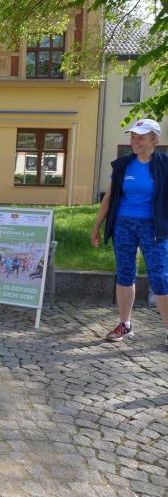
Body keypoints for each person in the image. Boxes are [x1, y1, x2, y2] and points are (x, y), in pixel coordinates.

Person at [91, 118, 168, 343]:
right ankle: (125, 325)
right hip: (123, 224)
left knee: (160, 277)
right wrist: (97, 226)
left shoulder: (164, 165)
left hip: (153, 227)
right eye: (133, 137)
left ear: (154, 140)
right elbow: (109, 197)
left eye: (141, 138)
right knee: (124, 273)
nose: (135, 141)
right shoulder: (123, 165)